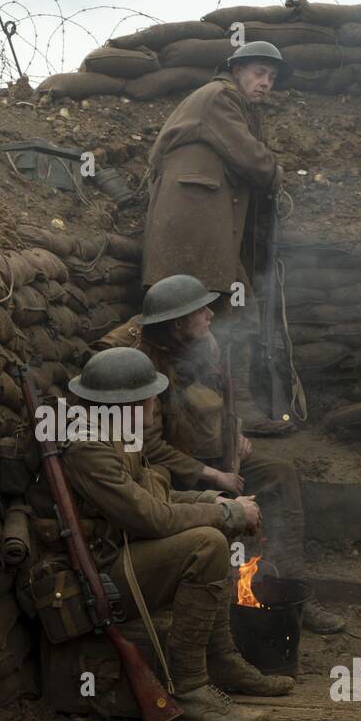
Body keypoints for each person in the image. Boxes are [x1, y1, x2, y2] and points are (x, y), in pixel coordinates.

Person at [58, 347, 295, 721]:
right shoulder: (90, 448)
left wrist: (214, 501)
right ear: (127, 403)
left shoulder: (117, 435)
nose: (156, 401)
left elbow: (156, 496)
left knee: (215, 526)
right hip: (95, 578)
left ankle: (222, 661)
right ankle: (190, 689)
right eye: (149, 395)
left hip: (119, 556)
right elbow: (152, 518)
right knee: (208, 543)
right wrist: (227, 513)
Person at [95, 274, 347, 634]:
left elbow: (215, 402)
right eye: (202, 311)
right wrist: (213, 476)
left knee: (279, 473)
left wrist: (235, 433)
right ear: (178, 322)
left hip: (202, 450)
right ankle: (224, 603)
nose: (211, 315)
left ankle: (290, 589)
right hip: (161, 468)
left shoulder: (196, 340)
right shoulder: (133, 358)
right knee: (212, 508)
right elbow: (145, 446)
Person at [142, 41, 291, 435]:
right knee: (210, 317)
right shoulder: (220, 98)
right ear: (236, 70)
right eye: (258, 73)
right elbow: (253, 161)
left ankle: (222, 414)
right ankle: (221, 414)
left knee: (230, 312)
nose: (265, 83)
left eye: (271, 77)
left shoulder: (229, 103)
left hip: (200, 235)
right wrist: (277, 174)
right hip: (193, 235)